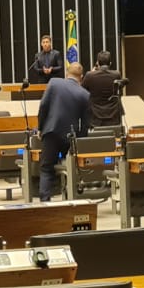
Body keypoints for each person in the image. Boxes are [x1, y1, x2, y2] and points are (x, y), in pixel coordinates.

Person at [35, 63, 92, 201]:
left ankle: (45, 202)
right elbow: (85, 124)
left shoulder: (54, 83)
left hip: (51, 132)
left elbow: (43, 106)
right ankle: (70, 198)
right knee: (69, 167)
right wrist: (78, 141)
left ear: (66, 73)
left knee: (46, 168)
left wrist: (41, 128)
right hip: (70, 137)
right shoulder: (85, 94)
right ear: (81, 77)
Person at [81, 51, 124, 128]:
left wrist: (92, 72)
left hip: (95, 116)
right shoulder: (116, 74)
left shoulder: (89, 75)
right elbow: (119, 88)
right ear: (110, 63)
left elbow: (82, 90)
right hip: (113, 116)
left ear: (97, 63)